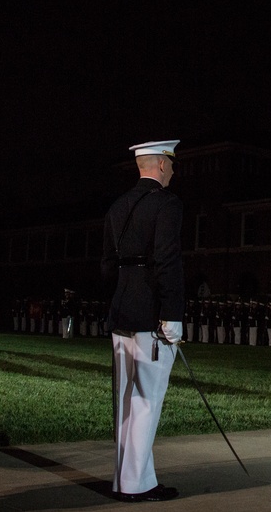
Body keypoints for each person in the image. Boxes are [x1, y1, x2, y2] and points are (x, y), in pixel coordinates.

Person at [101, 139, 184, 502]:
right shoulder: (167, 204)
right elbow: (167, 262)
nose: (173, 171)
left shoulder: (118, 206)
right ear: (162, 165)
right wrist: (172, 315)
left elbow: (107, 267)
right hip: (150, 314)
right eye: (172, 164)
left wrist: (119, 300)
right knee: (147, 401)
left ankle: (129, 479)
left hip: (121, 312)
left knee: (125, 400)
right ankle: (136, 485)